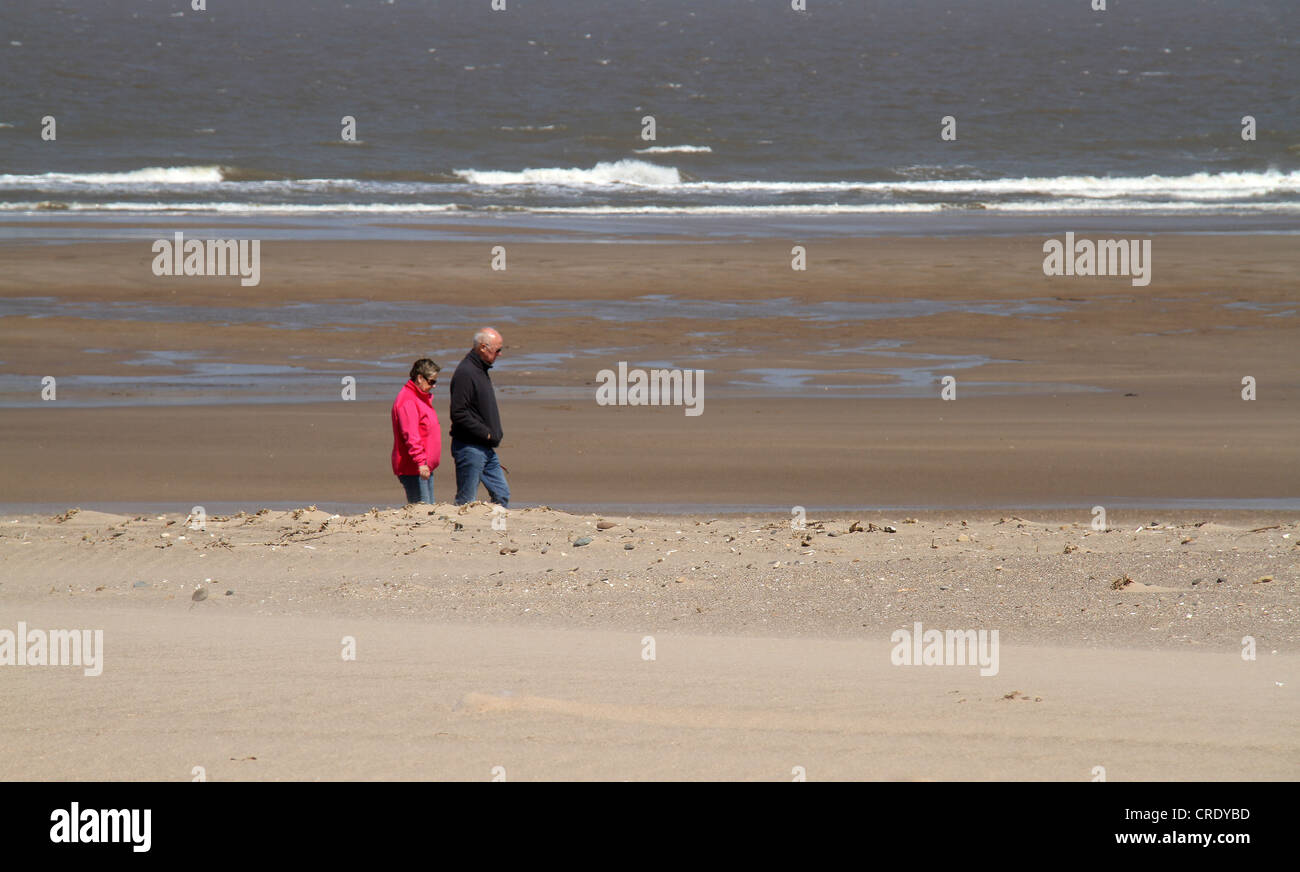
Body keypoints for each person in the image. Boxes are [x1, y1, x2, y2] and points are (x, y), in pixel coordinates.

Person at [449, 327, 509, 506]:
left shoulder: (481, 369)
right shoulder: (466, 372)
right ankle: (459, 531)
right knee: (466, 500)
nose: (499, 354)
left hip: (486, 449)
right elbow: (459, 413)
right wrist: (486, 433)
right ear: (483, 347)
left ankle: (494, 531)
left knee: (501, 494)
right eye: (497, 350)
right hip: (470, 447)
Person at [391, 358, 442, 504]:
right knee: (421, 511)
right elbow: (411, 435)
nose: (434, 386)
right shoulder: (408, 400)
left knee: (429, 509)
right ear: (420, 378)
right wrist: (421, 462)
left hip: (424, 467)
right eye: (431, 382)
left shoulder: (420, 398)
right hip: (414, 468)